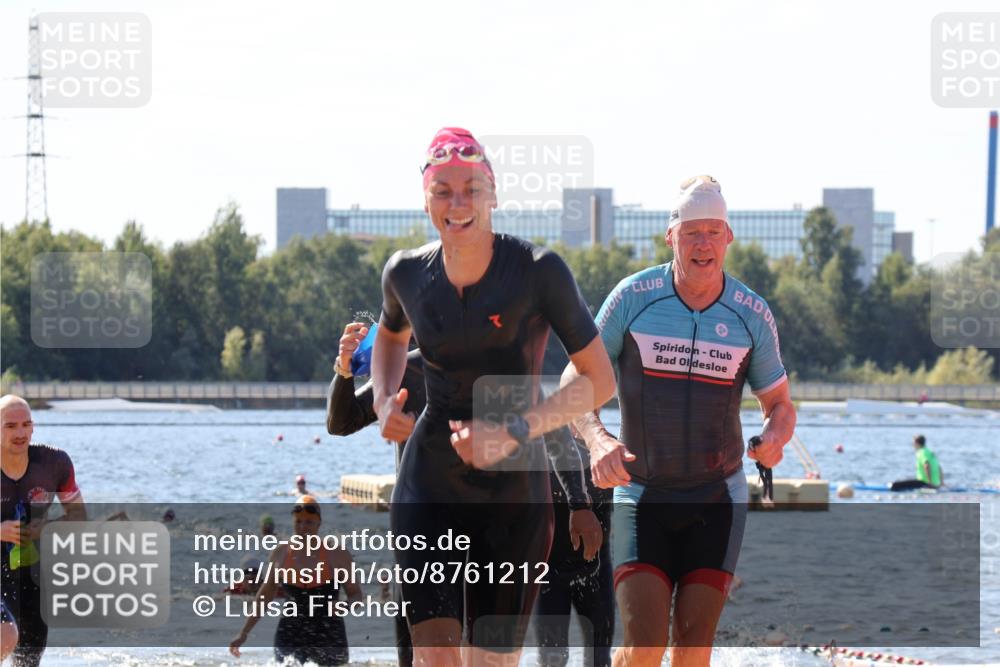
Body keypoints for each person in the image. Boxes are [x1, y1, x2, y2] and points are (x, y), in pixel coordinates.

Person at [372, 128, 616, 666]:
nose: (457, 204)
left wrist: (511, 432)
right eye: (443, 191)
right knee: (434, 660)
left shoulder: (537, 271)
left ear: (494, 194)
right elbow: (390, 336)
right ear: (426, 198)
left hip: (514, 499)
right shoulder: (405, 273)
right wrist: (384, 400)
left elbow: (599, 379)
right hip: (428, 487)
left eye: (471, 189)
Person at [567, 176, 796, 667]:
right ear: (670, 237)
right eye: (692, 232)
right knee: (642, 648)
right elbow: (576, 379)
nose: (703, 243)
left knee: (693, 654)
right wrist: (596, 438)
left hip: (718, 498)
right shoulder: (633, 298)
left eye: (714, 231)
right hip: (642, 493)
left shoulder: (751, 313)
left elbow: (780, 405)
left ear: (729, 239)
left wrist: (774, 440)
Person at [328, 322, 605, 667]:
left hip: (492, 532)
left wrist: (580, 505)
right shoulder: (406, 370)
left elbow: (558, 439)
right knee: (422, 654)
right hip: (425, 528)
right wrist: (343, 368)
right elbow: (340, 422)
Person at [1, 394, 87, 667]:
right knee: (5, 636)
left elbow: (78, 516)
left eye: (26, 424)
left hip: (32, 570)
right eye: (10, 426)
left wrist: (44, 529)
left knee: (29, 657)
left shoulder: (54, 463)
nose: (20, 433)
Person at [229, 495, 362, 665]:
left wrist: (345, 605)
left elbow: (356, 595)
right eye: (298, 522)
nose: (302, 527)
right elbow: (264, 597)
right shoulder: (281, 554)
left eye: (308, 522)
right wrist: (244, 633)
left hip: (329, 633)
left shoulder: (336, 554)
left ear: (319, 523)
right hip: (290, 633)